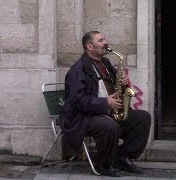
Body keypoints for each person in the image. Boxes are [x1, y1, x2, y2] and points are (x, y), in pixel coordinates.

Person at [58, 31, 151, 177]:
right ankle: (103, 164)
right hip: (84, 117)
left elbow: (117, 89)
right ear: (89, 46)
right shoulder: (78, 70)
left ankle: (122, 156)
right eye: (100, 40)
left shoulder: (105, 63)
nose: (105, 43)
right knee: (109, 126)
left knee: (143, 118)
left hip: (106, 111)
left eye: (104, 39)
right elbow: (77, 100)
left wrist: (124, 84)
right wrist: (105, 102)